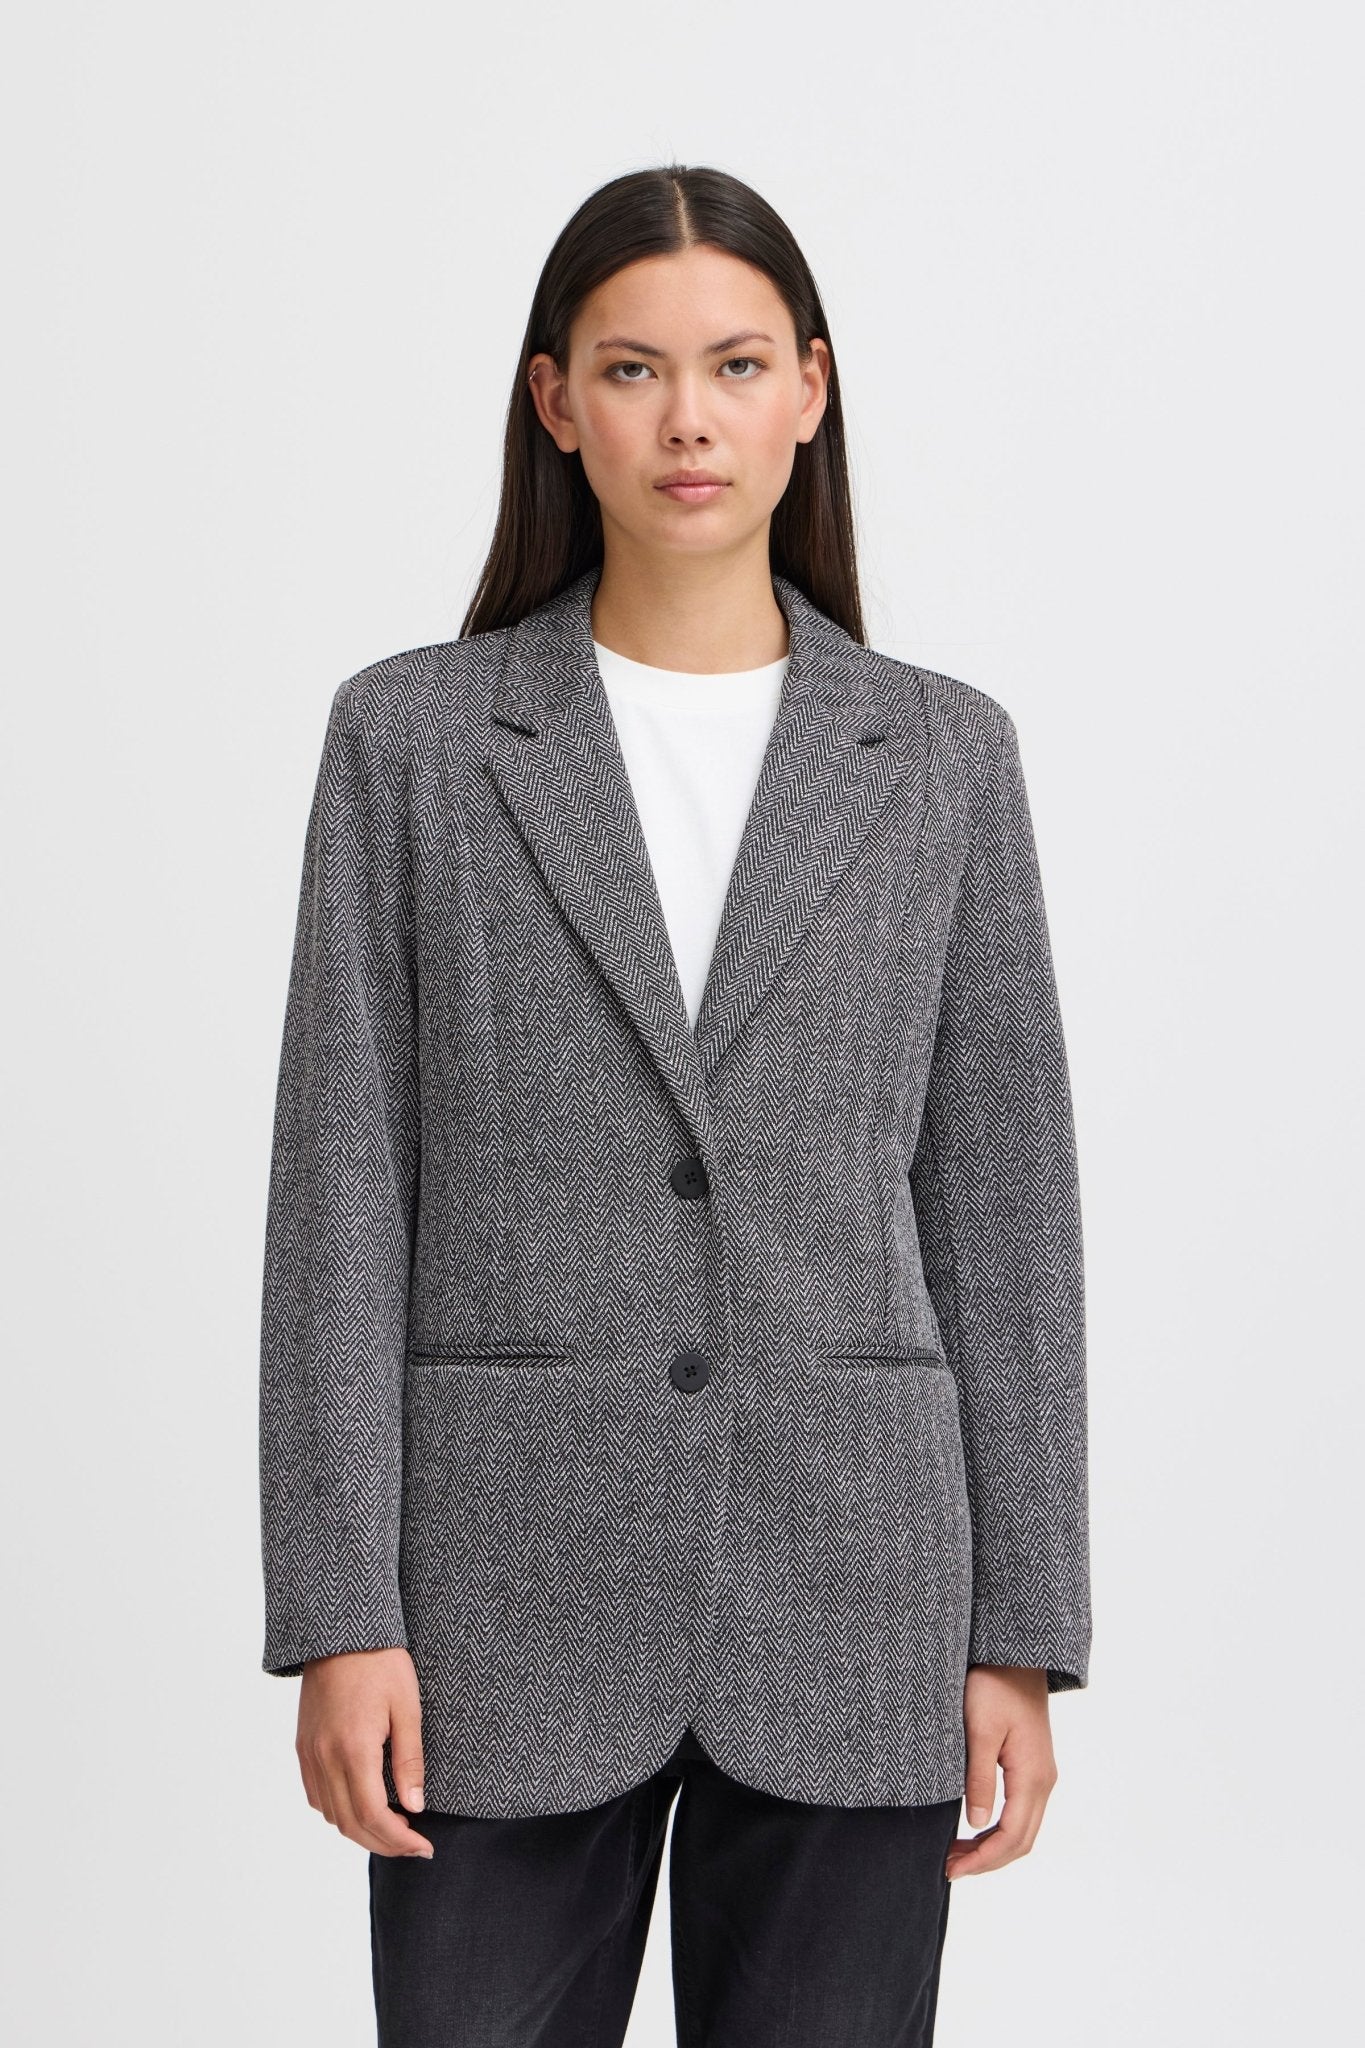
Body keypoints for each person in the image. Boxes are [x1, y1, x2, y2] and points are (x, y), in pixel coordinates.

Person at [258, 162, 1092, 2047]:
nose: (688, 420)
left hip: (858, 1586)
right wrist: (338, 1609)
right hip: (495, 1597)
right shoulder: (412, 738)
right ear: (557, 401)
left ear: (810, 389)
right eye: (633, 370)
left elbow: (1004, 1210)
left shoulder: (941, 754)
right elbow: (340, 1190)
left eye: (734, 365)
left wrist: (1021, 1633)